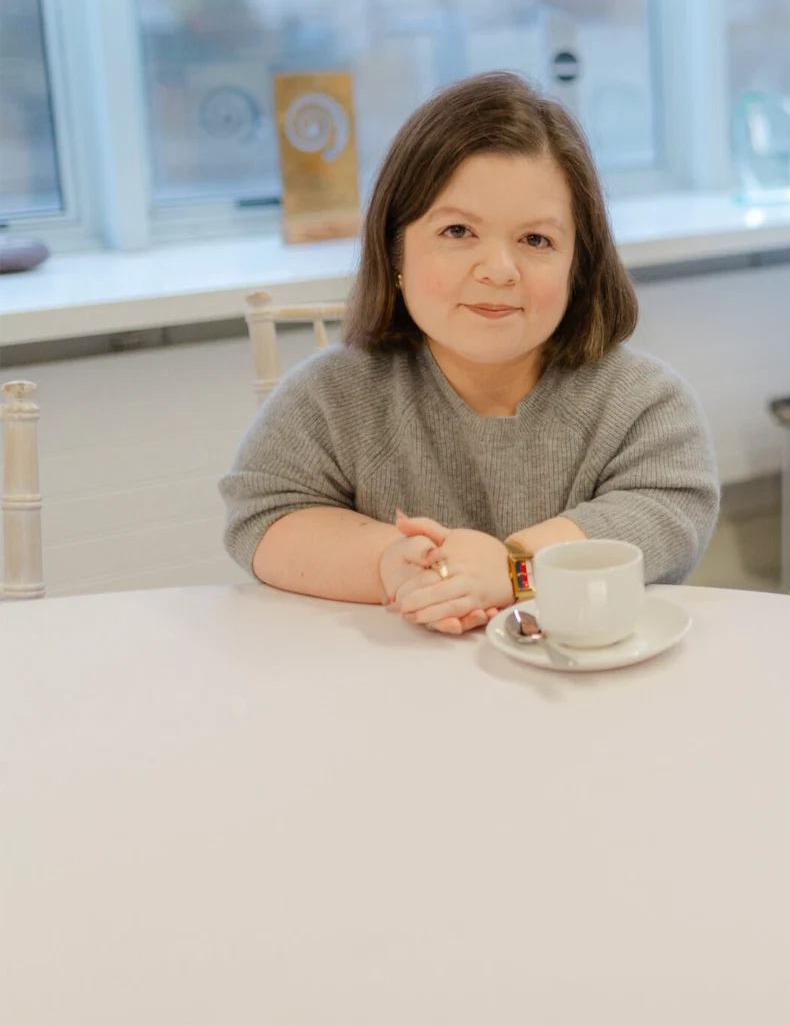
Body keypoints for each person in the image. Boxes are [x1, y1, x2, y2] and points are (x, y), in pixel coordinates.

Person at [221, 72, 720, 635]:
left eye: (536, 241)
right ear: (396, 250)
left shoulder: (644, 402)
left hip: (584, 692)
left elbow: (671, 510)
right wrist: (394, 562)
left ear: (578, 267)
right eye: (458, 231)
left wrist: (516, 568)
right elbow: (263, 516)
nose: (498, 270)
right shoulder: (333, 394)